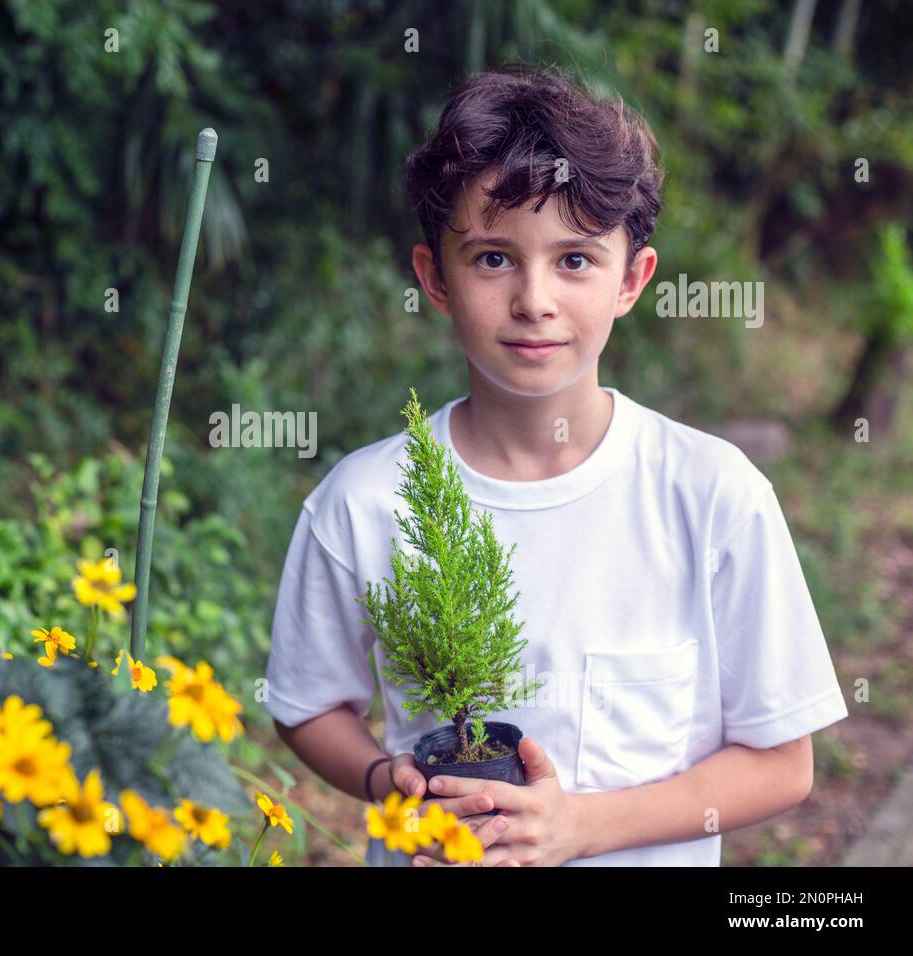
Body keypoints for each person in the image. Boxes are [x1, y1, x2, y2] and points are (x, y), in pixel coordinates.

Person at [263, 65, 849, 867]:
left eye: (574, 260)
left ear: (631, 280)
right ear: (434, 278)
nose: (534, 299)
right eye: (494, 259)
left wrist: (578, 827)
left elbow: (783, 764)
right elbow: (305, 703)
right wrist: (380, 775)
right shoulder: (363, 502)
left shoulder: (713, 495)